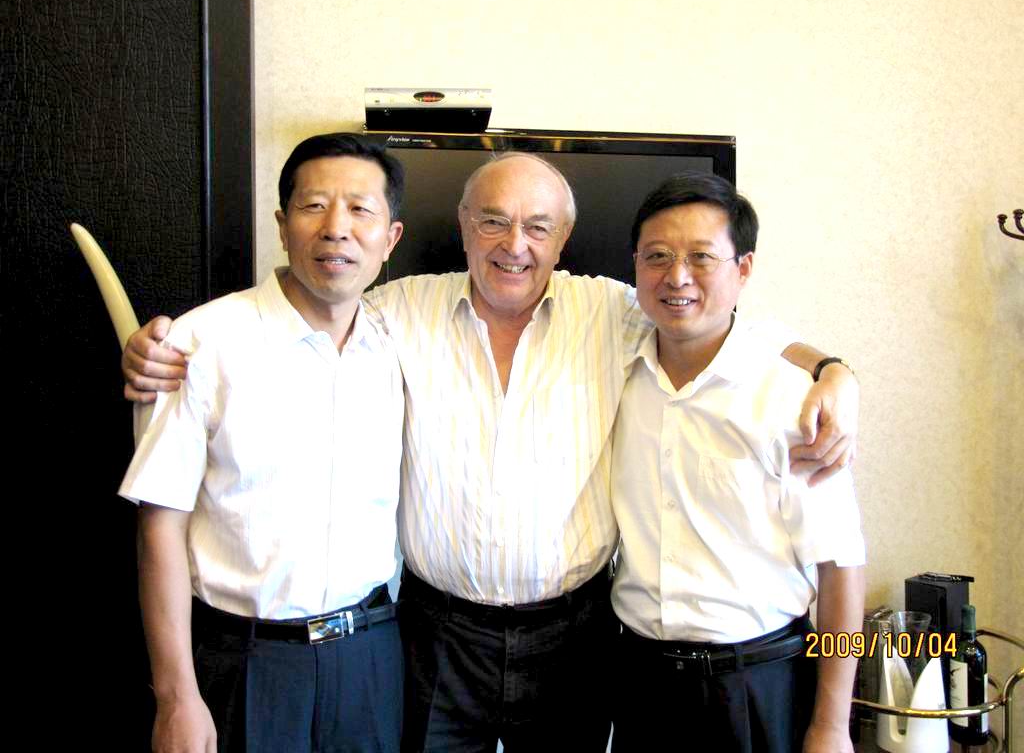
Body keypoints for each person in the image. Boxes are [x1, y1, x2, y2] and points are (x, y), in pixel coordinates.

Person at [123, 151, 861, 753]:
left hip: (580, 639)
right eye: (493, 222)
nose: (515, 245)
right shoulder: (394, 311)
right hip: (433, 638)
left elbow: (720, 324)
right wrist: (163, 344)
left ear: (564, 239)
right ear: (462, 228)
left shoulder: (614, 313)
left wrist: (833, 370)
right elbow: (307, 306)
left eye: (538, 227)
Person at [120, 133, 406, 753]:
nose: (336, 229)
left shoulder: (398, 343)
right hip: (246, 660)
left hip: (371, 656)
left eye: (360, 210)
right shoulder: (199, 344)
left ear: (390, 238)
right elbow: (159, 528)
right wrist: (175, 697)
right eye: (314, 206)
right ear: (282, 225)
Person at [610, 172, 865, 753]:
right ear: (636, 265)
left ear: (743, 269)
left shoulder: (793, 400)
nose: (677, 277)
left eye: (702, 257)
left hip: (759, 681)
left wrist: (832, 726)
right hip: (641, 682)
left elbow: (841, 568)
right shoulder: (615, 372)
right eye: (657, 256)